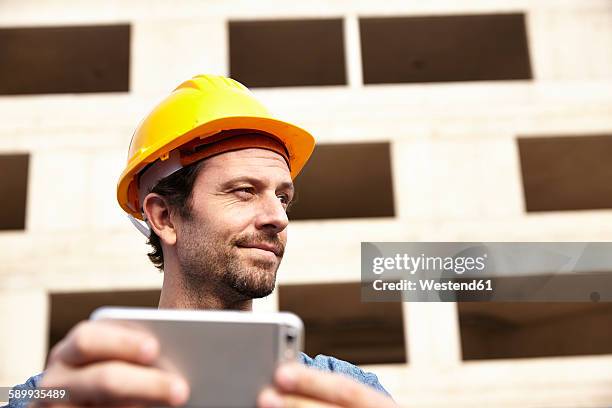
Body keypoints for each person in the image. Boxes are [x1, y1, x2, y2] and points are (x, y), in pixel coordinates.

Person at [6, 75, 397, 408]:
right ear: (164, 216)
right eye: (244, 191)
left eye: (283, 197)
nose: (278, 217)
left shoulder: (346, 392)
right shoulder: (59, 395)